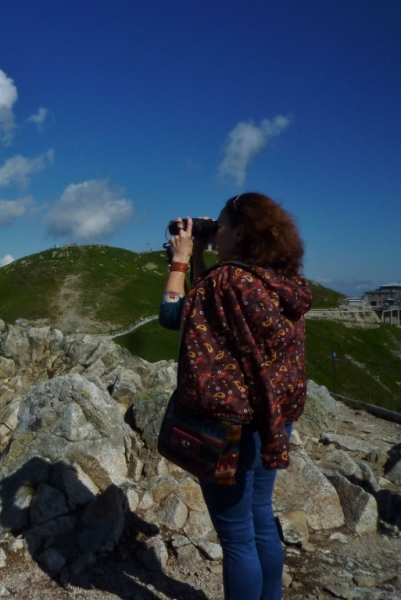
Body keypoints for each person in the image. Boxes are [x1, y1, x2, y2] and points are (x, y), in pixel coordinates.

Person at [159, 192, 312, 600]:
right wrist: (206, 250)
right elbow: (214, 310)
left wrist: (180, 260)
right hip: (274, 416)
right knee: (261, 517)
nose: (215, 231)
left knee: (238, 538)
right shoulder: (281, 282)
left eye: (221, 226)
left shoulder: (226, 282)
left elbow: (174, 315)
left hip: (232, 426)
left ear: (240, 232)